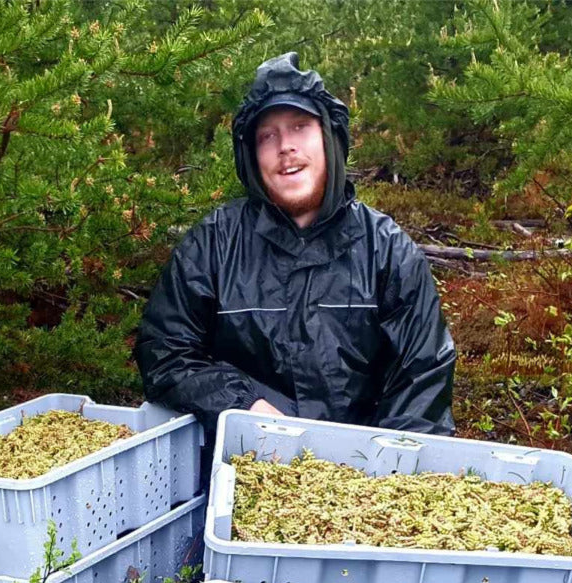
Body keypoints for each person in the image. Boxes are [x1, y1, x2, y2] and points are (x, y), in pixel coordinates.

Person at [134, 52, 456, 466]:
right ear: (251, 155)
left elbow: (422, 382)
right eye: (267, 135)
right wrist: (244, 405)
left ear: (330, 138)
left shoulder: (389, 252)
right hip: (241, 471)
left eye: (300, 127)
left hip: (365, 482)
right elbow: (164, 351)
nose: (285, 146)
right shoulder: (212, 245)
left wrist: (378, 474)